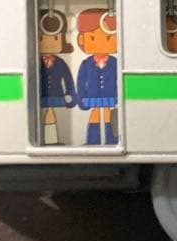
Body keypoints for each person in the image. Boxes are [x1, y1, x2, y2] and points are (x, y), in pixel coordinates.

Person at [75, 8, 119, 146]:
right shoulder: (86, 63)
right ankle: (93, 141)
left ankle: (110, 140)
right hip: (92, 95)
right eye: (92, 38)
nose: (101, 43)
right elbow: (81, 82)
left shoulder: (115, 63)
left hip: (110, 95)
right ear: (82, 39)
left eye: (108, 38)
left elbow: (119, 81)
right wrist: (80, 98)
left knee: (108, 116)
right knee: (95, 115)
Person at [37, 9, 75, 146]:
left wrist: (70, 93)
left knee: (53, 113)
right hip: (41, 95)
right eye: (42, 38)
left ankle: (52, 139)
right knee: (46, 113)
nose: (48, 43)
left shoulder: (60, 62)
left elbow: (67, 78)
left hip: (57, 93)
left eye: (55, 38)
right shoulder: (36, 62)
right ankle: (48, 139)